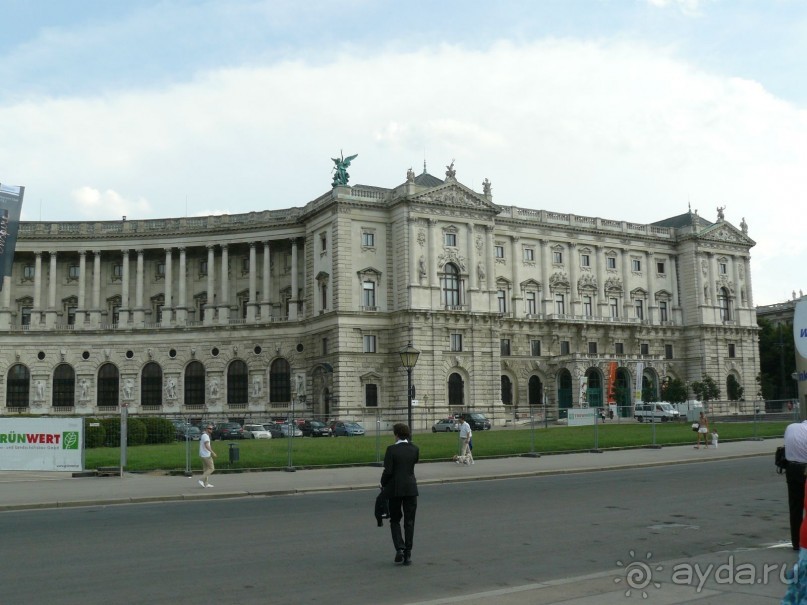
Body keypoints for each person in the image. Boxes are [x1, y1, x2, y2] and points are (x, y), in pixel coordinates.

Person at [380, 423, 419, 566]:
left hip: (395, 489)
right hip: (410, 489)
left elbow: (388, 471)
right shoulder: (415, 449)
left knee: (395, 520)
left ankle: (400, 548)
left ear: (396, 435)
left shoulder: (391, 450)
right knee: (409, 522)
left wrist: (382, 483)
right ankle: (408, 554)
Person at [784, 420, 807, 550]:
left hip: (791, 468)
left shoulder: (791, 427)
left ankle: (796, 542)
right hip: (805, 468)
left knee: (795, 506)